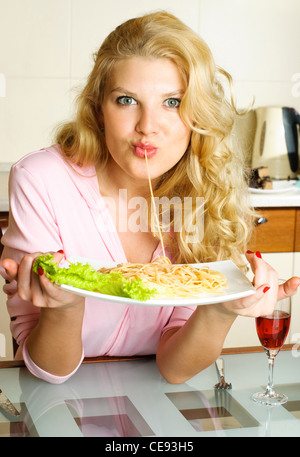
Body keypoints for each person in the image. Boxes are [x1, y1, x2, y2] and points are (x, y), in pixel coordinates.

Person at [1, 11, 299, 384]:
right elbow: (49, 369)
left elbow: (174, 369)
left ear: (197, 115)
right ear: (99, 110)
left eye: (172, 102)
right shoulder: (41, 180)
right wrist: (66, 307)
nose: (147, 126)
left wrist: (222, 309)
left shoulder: (203, 192)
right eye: (126, 100)